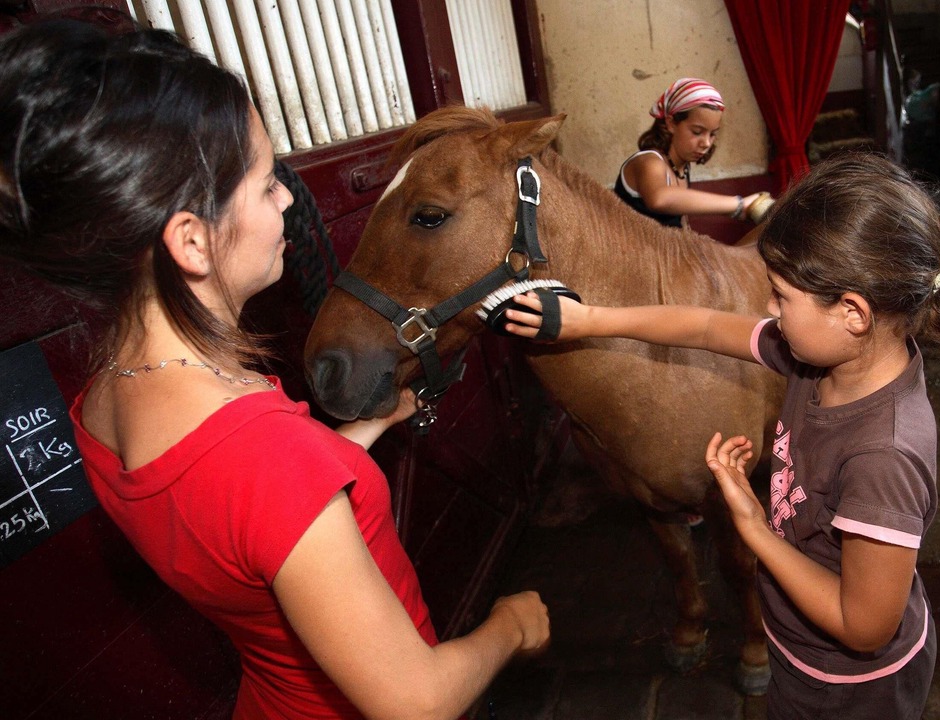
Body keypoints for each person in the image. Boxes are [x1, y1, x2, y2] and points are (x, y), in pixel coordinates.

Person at [0, 21, 548, 719]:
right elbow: (419, 700)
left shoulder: (105, 396)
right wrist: (510, 626)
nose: (289, 200)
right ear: (191, 241)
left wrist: (357, 436)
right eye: (265, 186)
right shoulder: (264, 455)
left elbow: (246, 518)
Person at [507, 152, 940, 719]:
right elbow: (706, 326)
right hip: (800, 650)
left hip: (851, 687)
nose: (768, 309)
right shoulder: (826, 355)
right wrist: (589, 321)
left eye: (780, 296)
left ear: (853, 312)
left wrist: (756, 531)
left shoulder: (882, 455)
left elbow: (864, 627)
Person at [614, 77, 769, 228]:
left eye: (713, 134)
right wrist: (738, 205)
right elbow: (660, 199)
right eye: (697, 132)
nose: (706, 143)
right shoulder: (649, 162)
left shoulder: (682, 168)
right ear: (671, 123)